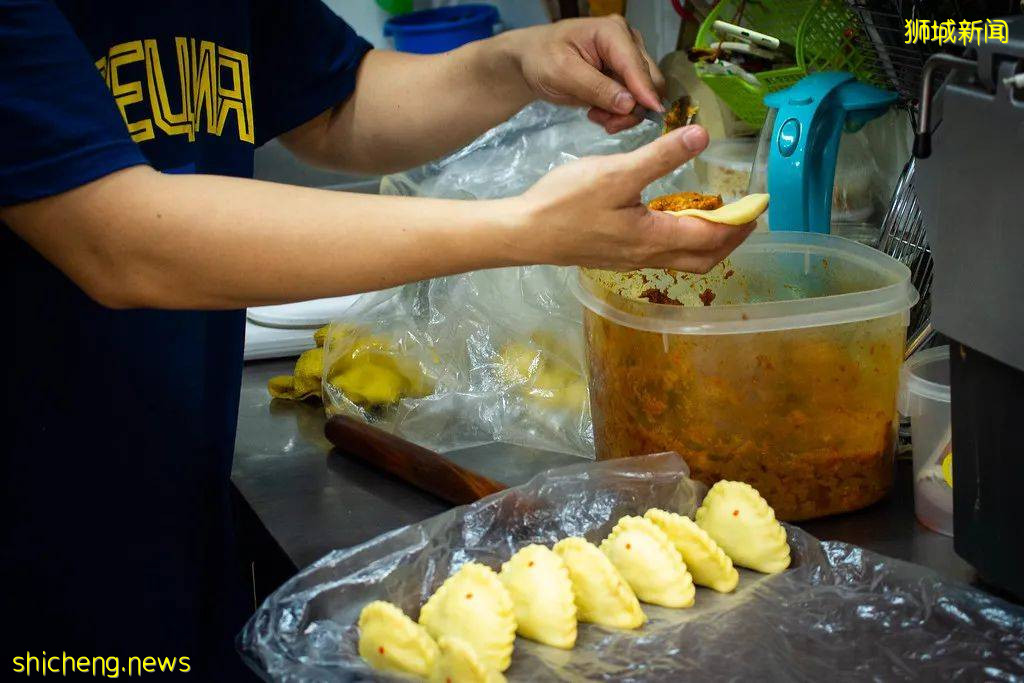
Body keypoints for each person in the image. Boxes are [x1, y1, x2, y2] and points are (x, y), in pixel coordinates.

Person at [1, 0, 754, 678]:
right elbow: (117, 238)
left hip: (172, 510)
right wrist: (521, 229)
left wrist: (517, 62)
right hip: (33, 543)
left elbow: (337, 103)